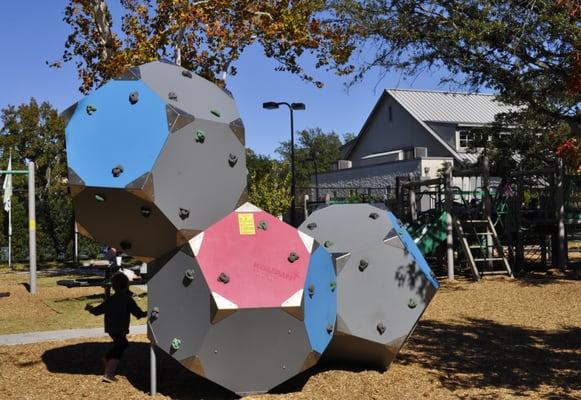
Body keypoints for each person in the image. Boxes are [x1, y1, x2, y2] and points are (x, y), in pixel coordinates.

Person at [85, 272, 147, 382]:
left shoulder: (110, 300)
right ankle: (109, 373)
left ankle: (108, 358)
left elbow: (97, 311)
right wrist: (149, 312)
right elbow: (138, 314)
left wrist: (90, 308)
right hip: (120, 328)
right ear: (127, 286)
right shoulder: (128, 300)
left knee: (121, 345)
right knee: (121, 347)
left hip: (111, 328)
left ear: (113, 287)